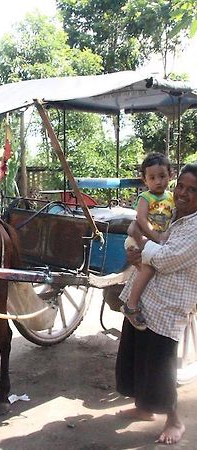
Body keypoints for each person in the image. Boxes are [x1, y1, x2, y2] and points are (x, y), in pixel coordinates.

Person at [115, 162, 197, 445]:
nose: (183, 193)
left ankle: (175, 420)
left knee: (160, 363)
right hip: (149, 296)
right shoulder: (176, 213)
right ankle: (144, 408)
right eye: (181, 187)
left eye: (192, 190)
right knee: (138, 355)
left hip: (169, 303)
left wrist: (141, 249)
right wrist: (140, 246)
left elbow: (166, 258)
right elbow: (148, 234)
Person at [121, 153, 174, 330]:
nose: (158, 181)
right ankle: (131, 305)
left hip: (156, 242)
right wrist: (157, 237)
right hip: (138, 239)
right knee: (149, 269)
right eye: (152, 178)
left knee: (154, 270)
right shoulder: (146, 197)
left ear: (170, 176)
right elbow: (141, 220)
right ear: (145, 180)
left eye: (162, 176)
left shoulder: (171, 198)